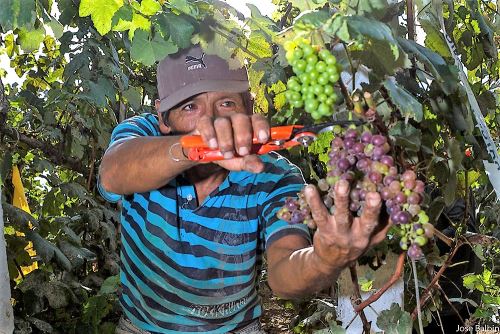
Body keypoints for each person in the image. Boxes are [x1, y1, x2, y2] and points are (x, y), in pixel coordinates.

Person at [98, 45, 391, 334]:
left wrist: (323, 261)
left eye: (226, 103)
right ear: (162, 118)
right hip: (142, 327)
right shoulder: (141, 136)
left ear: (249, 109)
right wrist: (195, 148)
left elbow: (284, 269)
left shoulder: (275, 176)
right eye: (190, 107)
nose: (210, 120)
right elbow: (113, 174)